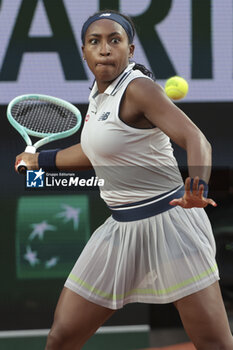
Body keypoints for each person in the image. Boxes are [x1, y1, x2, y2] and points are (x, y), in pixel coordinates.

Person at [16, 9, 233, 350]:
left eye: (114, 41)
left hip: (171, 225)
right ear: (84, 51)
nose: (104, 49)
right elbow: (94, 150)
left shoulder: (139, 88)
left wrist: (198, 186)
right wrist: (39, 160)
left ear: (129, 51)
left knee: (215, 345)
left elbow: (196, 140)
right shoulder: (99, 95)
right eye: (95, 41)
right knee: (62, 336)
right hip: (119, 229)